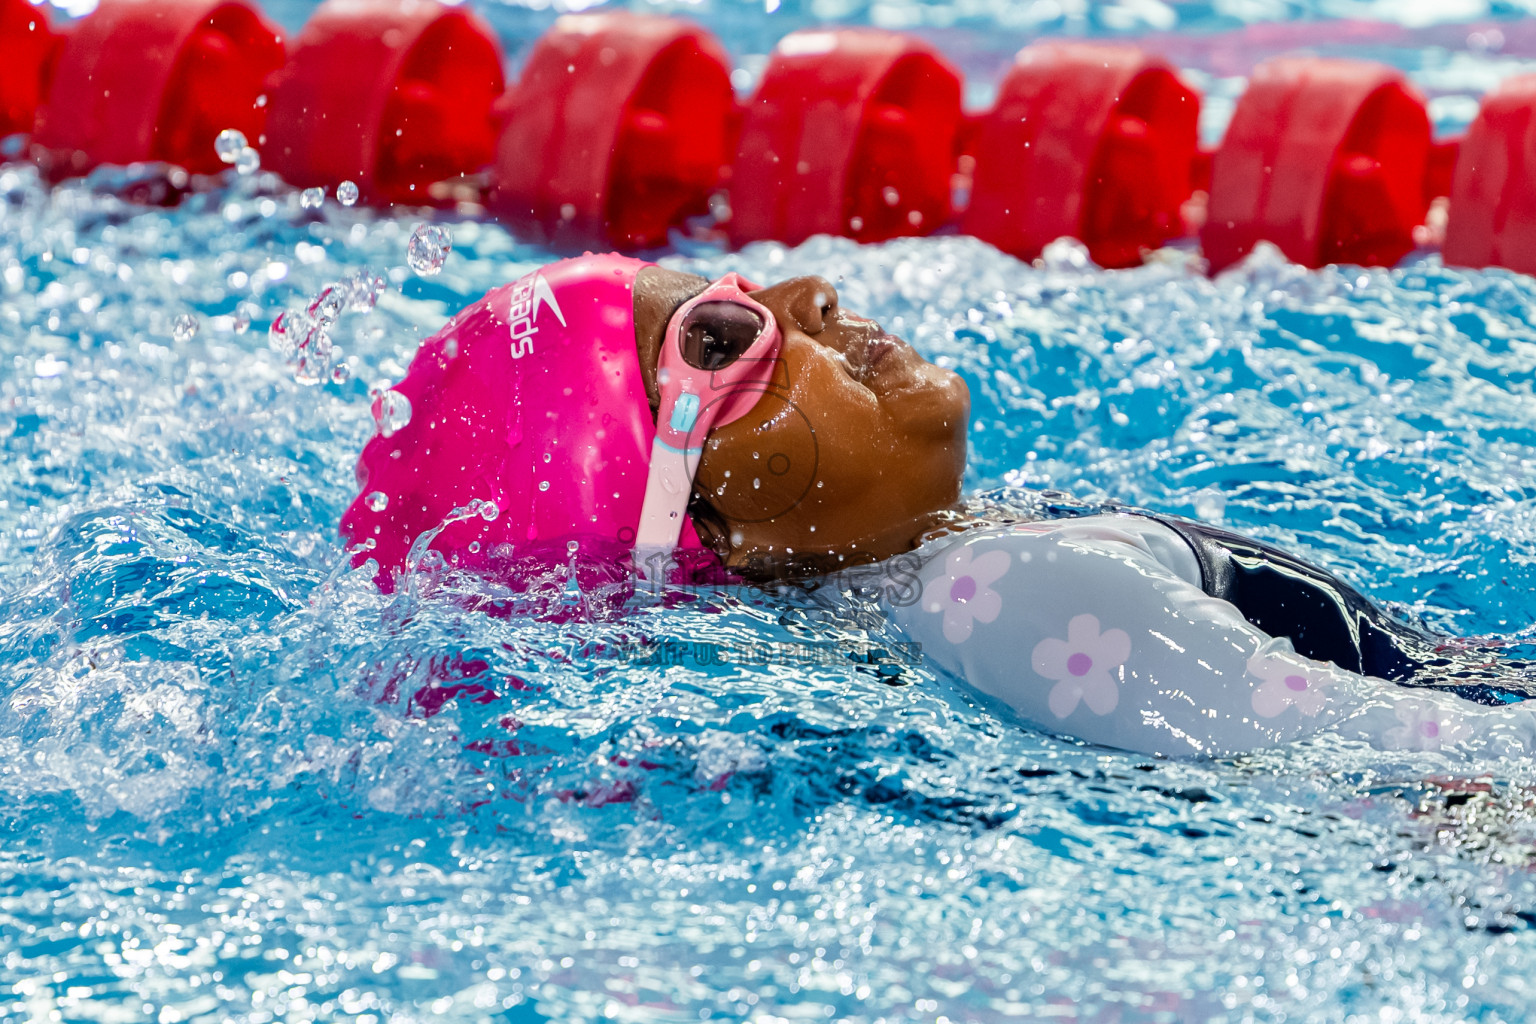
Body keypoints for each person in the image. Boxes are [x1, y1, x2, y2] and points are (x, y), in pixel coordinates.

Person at [341, 254, 1536, 759]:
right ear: (703, 530)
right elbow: (1418, 771)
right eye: (721, 338)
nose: (803, 292)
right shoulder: (1005, 596)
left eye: (737, 288)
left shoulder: (961, 569)